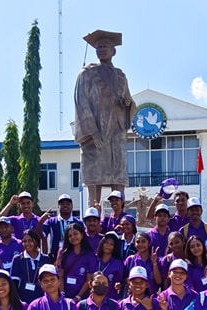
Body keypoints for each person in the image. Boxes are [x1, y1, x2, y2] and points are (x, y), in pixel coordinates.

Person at [74, 28, 134, 205]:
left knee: (118, 175)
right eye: (98, 46)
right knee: (95, 177)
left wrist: (128, 103)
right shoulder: (86, 74)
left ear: (113, 51)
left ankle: (119, 213)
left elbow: (129, 102)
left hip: (116, 134)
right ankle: (93, 213)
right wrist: (92, 132)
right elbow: (81, 103)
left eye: (105, 46)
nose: (101, 49)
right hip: (95, 134)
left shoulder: (121, 76)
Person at [10, 229, 52, 304]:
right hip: (23, 300)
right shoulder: (18, 259)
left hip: (41, 300)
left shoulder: (45, 259)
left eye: (30, 240)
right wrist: (17, 301)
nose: (27, 243)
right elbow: (14, 283)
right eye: (24, 241)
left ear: (36, 241)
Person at [58, 222, 98, 301]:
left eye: (75, 234)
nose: (73, 237)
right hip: (64, 296)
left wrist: (78, 297)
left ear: (82, 235)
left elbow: (89, 279)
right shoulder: (63, 252)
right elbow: (60, 275)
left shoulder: (89, 255)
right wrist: (62, 294)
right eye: (70, 236)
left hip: (82, 296)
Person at [42, 193, 82, 259]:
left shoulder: (78, 222)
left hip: (74, 257)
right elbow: (40, 235)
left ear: (72, 206)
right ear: (58, 206)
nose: (65, 206)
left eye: (68, 204)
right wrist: (41, 220)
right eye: (62, 204)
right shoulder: (51, 221)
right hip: (54, 257)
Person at [94, 231, 124, 300]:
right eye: (106, 242)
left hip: (110, 299)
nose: (108, 245)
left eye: (111, 244)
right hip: (93, 297)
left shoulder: (118, 263)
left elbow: (119, 282)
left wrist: (119, 285)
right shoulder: (95, 258)